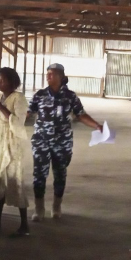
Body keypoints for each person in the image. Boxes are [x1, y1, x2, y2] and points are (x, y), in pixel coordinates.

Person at [29, 63, 103, 221]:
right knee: (39, 175)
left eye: (52, 74)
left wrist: (97, 125)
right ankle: (39, 208)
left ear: (61, 77)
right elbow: (27, 113)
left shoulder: (70, 96)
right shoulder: (39, 95)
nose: (48, 76)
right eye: (47, 73)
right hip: (41, 140)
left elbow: (81, 114)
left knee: (60, 174)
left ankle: (56, 206)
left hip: (62, 141)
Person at [0, 68, 30, 237]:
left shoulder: (19, 98)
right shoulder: (0, 98)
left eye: (1, 80)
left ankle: (24, 224)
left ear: (11, 81)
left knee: (14, 179)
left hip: (11, 143)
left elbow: (18, 122)